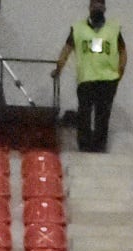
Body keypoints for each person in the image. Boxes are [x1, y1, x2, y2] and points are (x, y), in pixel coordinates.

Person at [53, 1, 124, 154]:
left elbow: (123, 51)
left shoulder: (113, 29)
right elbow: (67, 49)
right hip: (86, 78)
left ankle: (99, 146)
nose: (97, 8)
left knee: (102, 114)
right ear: (89, 8)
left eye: (100, 5)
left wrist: (120, 72)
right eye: (94, 5)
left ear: (104, 8)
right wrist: (59, 67)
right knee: (84, 113)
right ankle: (84, 146)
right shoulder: (78, 28)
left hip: (108, 79)